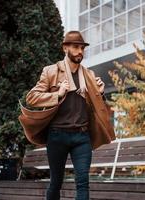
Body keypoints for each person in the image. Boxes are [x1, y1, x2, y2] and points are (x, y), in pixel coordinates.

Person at [22, 31, 115, 200]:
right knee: (56, 182)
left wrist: (100, 94)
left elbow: (97, 107)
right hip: (57, 135)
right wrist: (58, 94)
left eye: (82, 48)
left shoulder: (89, 75)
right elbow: (32, 98)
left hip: (82, 136)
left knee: (83, 182)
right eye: (75, 47)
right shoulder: (51, 72)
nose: (80, 51)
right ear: (65, 48)